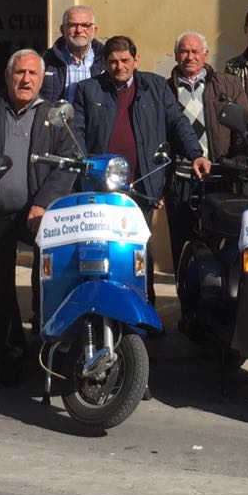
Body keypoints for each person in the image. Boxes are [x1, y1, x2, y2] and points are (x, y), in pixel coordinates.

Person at [73, 36, 211, 300]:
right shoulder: (87, 90)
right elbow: (77, 133)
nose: (119, 66)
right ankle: (105, 304)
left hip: (142, 183)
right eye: (112, 61)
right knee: (103, 247)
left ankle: (144, 306)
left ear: (136, 60)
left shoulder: (156, 87)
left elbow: (178, 123)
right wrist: (86, 167)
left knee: (139, 249)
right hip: (102, 185)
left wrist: (196, 154)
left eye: (125, 60)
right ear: (104, 63)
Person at [0, 49, 78, 382]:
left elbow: (68, 161)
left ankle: (48, 347)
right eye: (19, 73)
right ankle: (10, 353)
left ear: (41, 79)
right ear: (8, 77)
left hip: (39, 212)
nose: (26, 79)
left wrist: (45, 201)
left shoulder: (55, 115)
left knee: (49, 279)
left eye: (33, 74)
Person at [166, 31, 248, 269]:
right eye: (184, 51)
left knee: (222, 245)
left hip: (220, 177)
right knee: (182, 246)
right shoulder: (164, 89)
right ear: (175, 55)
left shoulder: (228, 84)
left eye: (195, 51)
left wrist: (239, 161)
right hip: (180, 179)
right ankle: (186, 301)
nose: (189, 56)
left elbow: (245, 125)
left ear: (205, 54)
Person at [41, 5, 106, 103]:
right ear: (63, 30)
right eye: (72, 25)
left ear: (94, 30)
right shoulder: (44, 61)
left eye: (85, 25)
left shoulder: (107, 61)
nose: (79, 31)